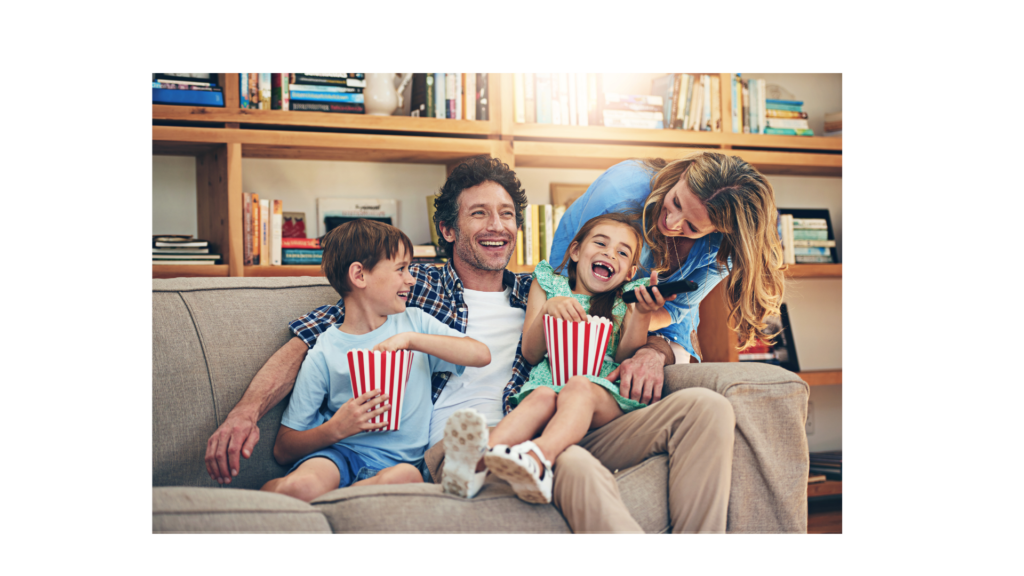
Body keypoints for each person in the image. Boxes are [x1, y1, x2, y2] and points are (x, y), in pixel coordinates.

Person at [260, 219, 490, 502]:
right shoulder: (324, 351)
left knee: (405, 478)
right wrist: (336, 429)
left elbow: (480, 354)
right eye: (401, 269)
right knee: (303, 486)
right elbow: (283, 448)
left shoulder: (415, 323)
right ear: (359, 275)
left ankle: (333, 501)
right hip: (340, 454)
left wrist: (411, 340)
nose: (411, 278)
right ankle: (288, 495)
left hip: (402, 464)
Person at [458, 213, 671, 503]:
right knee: (541, 396)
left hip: (601, 392)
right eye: (601, 243)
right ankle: (474, 464)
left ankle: (538, 458)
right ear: (575, 251)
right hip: (551, 381)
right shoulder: (549, 286)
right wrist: (548, 311)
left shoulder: (627, 298)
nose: (610, 254)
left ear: (630, 271)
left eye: (622, 252)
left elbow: (625, 356)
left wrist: (643, 315)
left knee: (579, 387)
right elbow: (531, 354)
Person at [549, 151, 786, 370]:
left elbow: (674, 310)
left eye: (691, 226)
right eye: (676, 202)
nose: (671, 223)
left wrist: (641, 318)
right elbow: (579, 283)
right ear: (686, 173)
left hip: (647, 318)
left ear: (719, 230)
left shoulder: (724, 249)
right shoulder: (619, 194)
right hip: (580, 290)